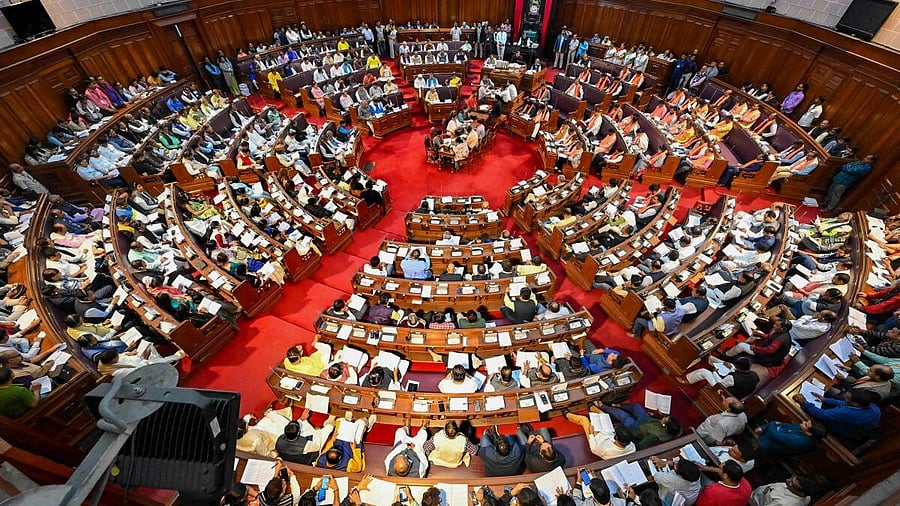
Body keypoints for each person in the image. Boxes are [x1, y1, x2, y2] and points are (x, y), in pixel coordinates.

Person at [794, 389, 881, 439]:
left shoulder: (846, 413)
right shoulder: (874, 407)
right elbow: (845, 403)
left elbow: (822, 415)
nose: (845, 399)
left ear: (856, 403)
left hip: (839, 430)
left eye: (847, 398)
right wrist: (825, 399)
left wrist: (804, 402)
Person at [565, 407, 637, 458]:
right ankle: (591, 406)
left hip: (596, 437)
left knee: (584, 420)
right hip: (608, 434)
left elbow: (593, 449)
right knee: (602, 414)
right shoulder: (632, 447)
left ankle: (566, 414)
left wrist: (591, 433)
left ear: (616, 437)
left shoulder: (604, 450)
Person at [681, 356, 760, 399]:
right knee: (715, 359)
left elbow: (720, 384)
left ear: (738, 367)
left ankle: (687, 381)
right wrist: (731, 366)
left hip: (724, 393)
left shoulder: (732, 378)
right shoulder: (755, 375)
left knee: (704, 371)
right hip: (735, 387)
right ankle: (707, 358)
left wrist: (715, 372)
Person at [754, 420, 826, 458]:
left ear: (809, 433)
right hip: (767, 434)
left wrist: (772, 423)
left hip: (765, 446)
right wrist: (764, 427)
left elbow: (775, 435)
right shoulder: (802, 428)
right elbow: (782, 424)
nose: (803, 422)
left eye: (806, 424)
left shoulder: (799, 441)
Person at [750, 475, 817, 506]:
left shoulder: (782, 503)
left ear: (801, 493)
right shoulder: (807, 497)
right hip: (758, 492)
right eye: (791, 478)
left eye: (791, 483)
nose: (787, 480)